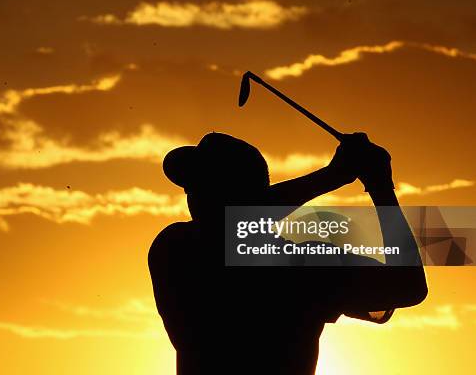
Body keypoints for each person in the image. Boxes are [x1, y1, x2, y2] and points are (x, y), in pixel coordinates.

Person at [148, 132, 427, 375]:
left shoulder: (175, 247)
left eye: (202, 188)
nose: (192, 197)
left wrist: (337, 176)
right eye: (193, 188)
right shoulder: (305, 263)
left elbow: (410, 289)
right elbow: (409, 286)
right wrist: (377, 188)